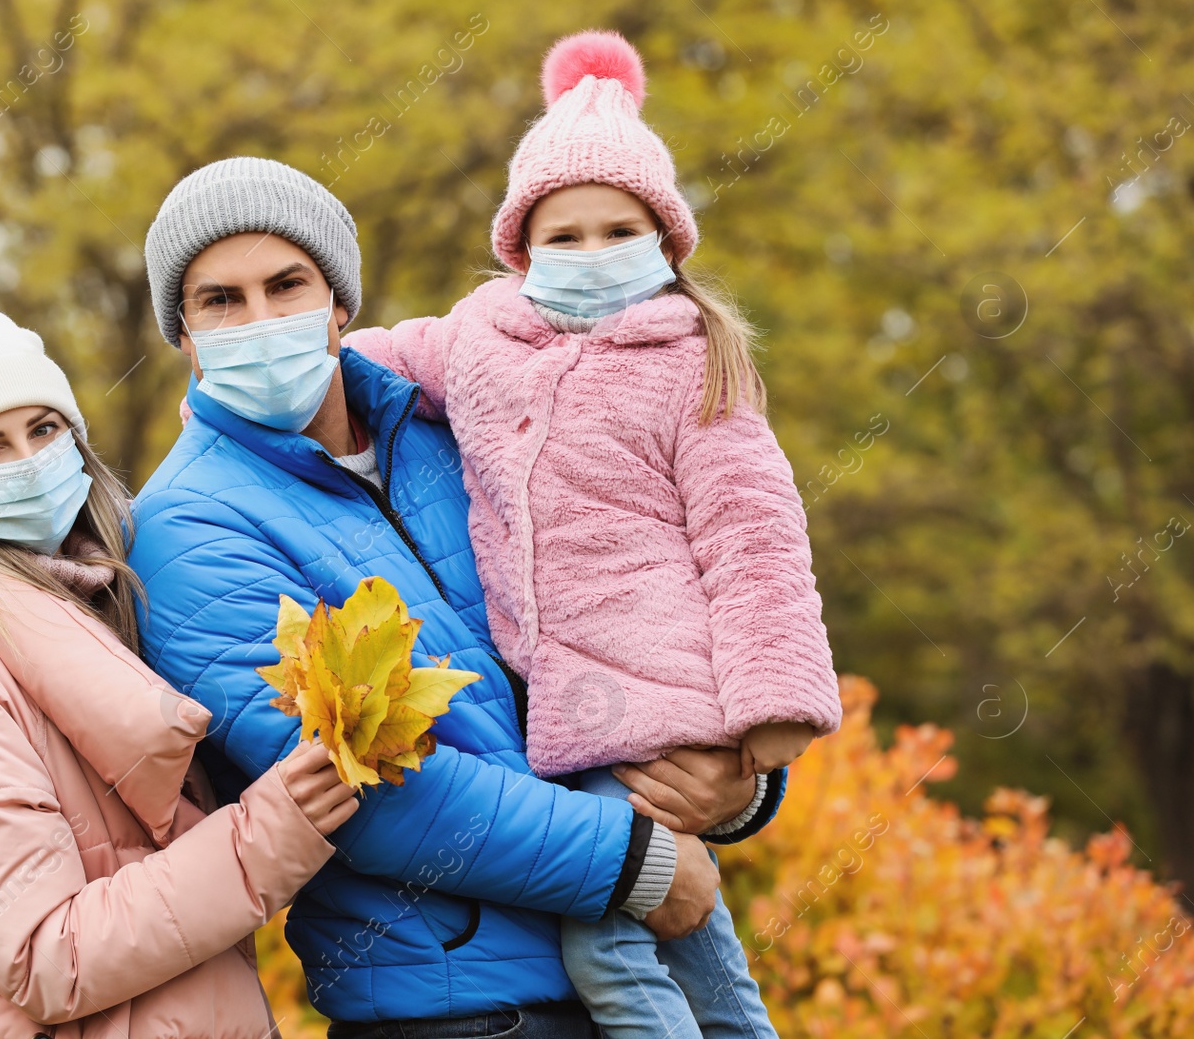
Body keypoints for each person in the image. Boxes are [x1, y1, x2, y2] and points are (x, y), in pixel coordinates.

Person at [129, 156, 787, 1037]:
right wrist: (637, 860)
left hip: (642, 969)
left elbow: (640, 583)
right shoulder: (186, 527)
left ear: (340, 304)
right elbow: (365, 791)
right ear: (182, 333)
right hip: (466, 1008)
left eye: (287, 284)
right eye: (220, 300)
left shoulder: (457, 419)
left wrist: (735, 779)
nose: (259, 320)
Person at [342, 31, 844, 1039]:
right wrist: (271, 384)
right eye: (562, 234)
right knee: (703, 946)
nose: (589, 253)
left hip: (658, 695)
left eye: (617, 229)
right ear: (521, 246)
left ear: (665, 242)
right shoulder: (481, 338)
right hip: (567, 712)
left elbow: (753, 538)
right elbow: (379, 356)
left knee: (608, 945)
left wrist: (773, 707)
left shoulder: (694, 364)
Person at [0, 304, 357, 1039]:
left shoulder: (97, 610)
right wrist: (263, 838)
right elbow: (49, 957)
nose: (29, 462)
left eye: (43, 430)